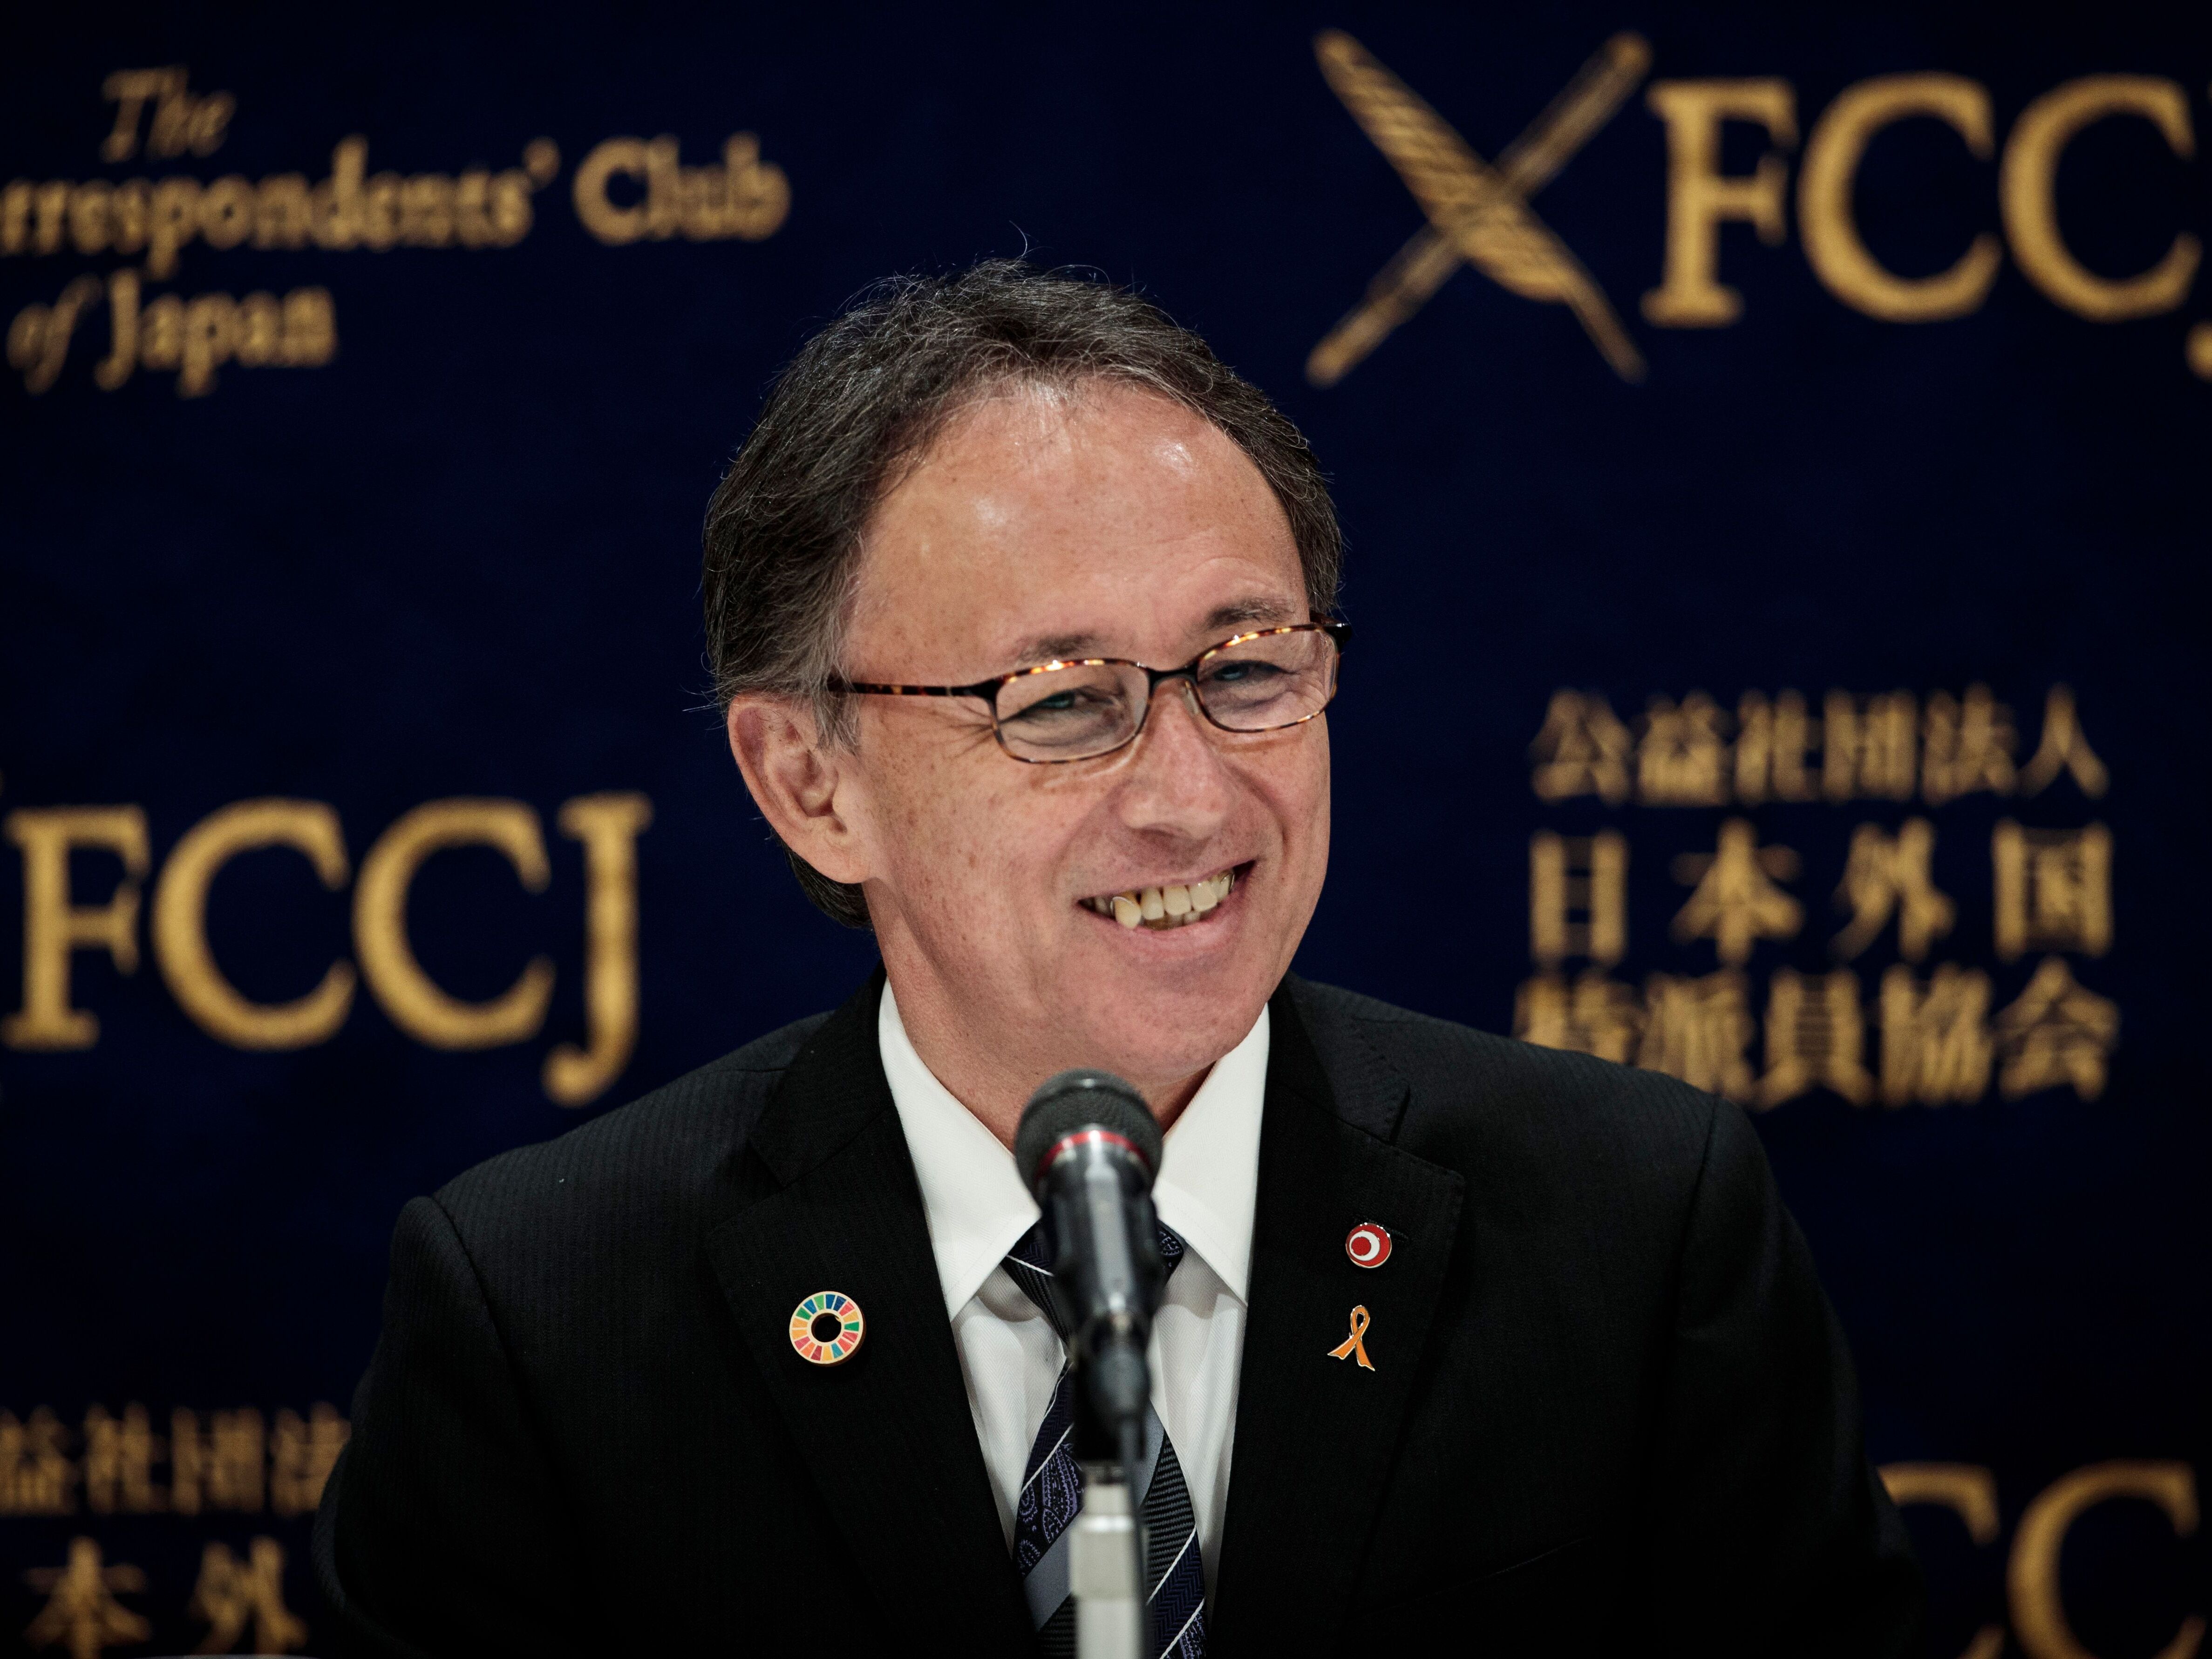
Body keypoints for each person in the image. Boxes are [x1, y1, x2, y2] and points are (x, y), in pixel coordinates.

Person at [314, 261, 1919, 1656]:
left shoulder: (1636, 1231)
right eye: (1063, 701)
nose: (1190, 796)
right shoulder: (545, 1318)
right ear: (810, 784)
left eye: (1246, 670)